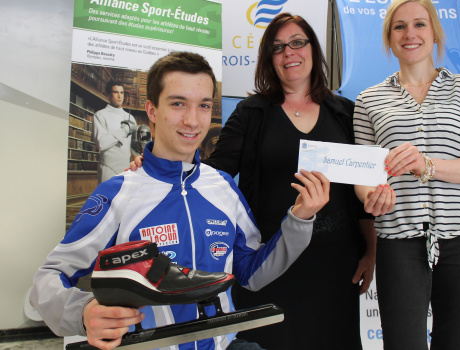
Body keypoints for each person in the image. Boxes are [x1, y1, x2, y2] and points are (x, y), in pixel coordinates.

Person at [30, 51, 330, 350]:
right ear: (151, 110)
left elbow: (251, 273)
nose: (192, 120)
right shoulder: (118, 193)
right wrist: (83, 310)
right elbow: (48, 278)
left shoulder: (223, 186)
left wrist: (300, 219)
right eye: (177, 104)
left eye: (203, 106)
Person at [132, 13, 377, 349]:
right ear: (268, 59)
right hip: (270, 262)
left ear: (312, 48)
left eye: (297, 42)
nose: (289, 52)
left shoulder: (345, 113)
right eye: (277, 47)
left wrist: (371, 250)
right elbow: (213, 171)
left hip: (336, 265)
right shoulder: (253, 112)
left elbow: (360, 191)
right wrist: (159, 165)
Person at [353, 0, 460, 349]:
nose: (410, 34)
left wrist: (427, 165)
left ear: (434, 33)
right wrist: (370, 196)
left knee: (456, 343)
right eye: (399, 26)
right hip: (399, 241)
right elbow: (365, 173)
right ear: (389, 39)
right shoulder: (368, 100)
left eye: (419, 24)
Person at [93, 80, 137, 183]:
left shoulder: (130, 117)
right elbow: (101, 143)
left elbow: (134, 148)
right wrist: (123, 131)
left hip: (126, 170)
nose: (119, 96)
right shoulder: (100, 115)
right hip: (108, 169)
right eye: (115, 92)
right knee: (107, 199)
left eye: (121, 93)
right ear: (108, 95)